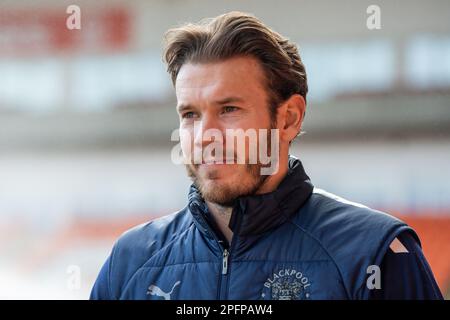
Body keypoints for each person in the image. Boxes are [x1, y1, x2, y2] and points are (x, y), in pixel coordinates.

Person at [90, 11, 443, 300]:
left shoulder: (375, 253)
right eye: (191, 115)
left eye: (229, 109)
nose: (205, 137)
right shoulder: (131, 260)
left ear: (288, 118)